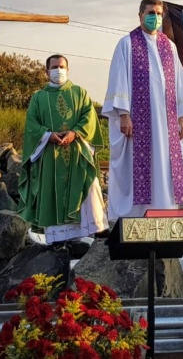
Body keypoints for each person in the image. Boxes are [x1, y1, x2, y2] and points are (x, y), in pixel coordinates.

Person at [103, 0, 183, 219]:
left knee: (165, 164)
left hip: (165, 123)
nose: (154, 17)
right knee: (137, 167)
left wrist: (181, 117)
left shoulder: (169, 47)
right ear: (140, 16)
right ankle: (133, 216)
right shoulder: (127, 44)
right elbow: (119, 80)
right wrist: (124, 114)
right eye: (150, 13)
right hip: (137, 123)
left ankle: (164, 211)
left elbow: (177, 83)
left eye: (158, 13)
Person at [18, 54, 108, 242]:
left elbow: (89, 118)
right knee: (51, 191)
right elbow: (31, 124)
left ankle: (97, 230)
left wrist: (75, 133)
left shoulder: (79, 93)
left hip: (77, 152)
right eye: (54, 67)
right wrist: (47, 135)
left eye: (62, 66)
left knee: (88, 186)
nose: (58, 70)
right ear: (46, 71)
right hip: (50, 155)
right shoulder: (38, 98)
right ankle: (58, 240)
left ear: (68, 69)